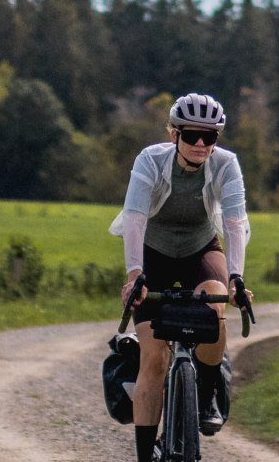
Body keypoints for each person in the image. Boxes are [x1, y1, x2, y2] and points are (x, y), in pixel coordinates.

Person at [110, 92, 252, 462]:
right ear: (174, 134)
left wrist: (237, 277)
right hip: (153, 254)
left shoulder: (226, 165)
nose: (201, 144)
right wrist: (135, 274)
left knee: (215, 308)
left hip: (200, 249)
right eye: (192, 135)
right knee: (153, 358)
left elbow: (236, 222)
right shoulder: (150, 161)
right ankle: (144, 454)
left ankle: (205, 396)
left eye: (210, 137)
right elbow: (135, 216)